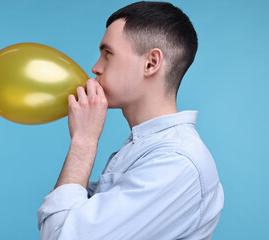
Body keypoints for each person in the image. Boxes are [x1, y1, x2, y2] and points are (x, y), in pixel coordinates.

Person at [37, 1, 224, 239]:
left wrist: (83, 141)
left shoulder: (176, 163)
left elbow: (60, 235)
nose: (95, 67)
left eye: (108, 54)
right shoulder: (146, 150)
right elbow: (69, 215)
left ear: (151, 63)